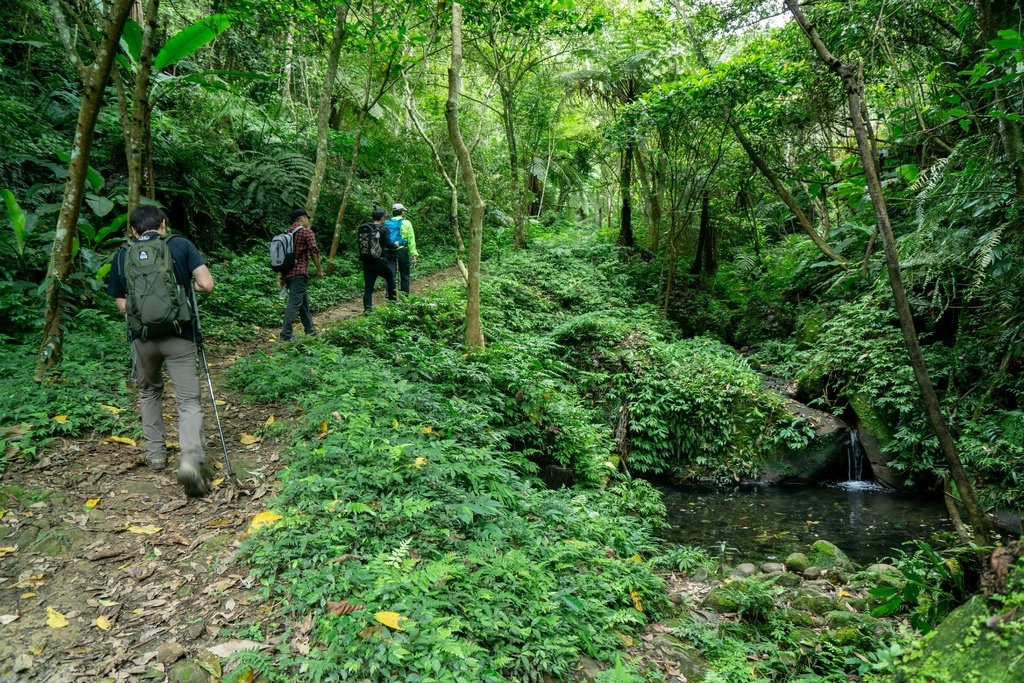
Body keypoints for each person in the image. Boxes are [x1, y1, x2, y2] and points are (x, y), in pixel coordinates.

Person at [107, 206, 215, 497]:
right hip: (180, 336)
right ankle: (191, 460)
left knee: (149, 392)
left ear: (133, 230)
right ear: (163, 224)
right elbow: (206, 284)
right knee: (188, 402)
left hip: (142, 339)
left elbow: (121, 303)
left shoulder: (121, 256)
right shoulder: (180, 245)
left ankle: (155, 456)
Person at [279, 208, 322, 341]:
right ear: (302, 218)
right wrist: (319, 269)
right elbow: (314, 251)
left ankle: (310, 330)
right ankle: (285, 335)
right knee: (294, 304)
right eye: (307, 218)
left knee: (303, 303)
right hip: (299, 273)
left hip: (288, 273)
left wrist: (282, 276)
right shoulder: (306, 232)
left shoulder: (286, 233)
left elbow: (282, 256)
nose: (308, 221)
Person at [362, 208, 397, 312]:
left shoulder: (366, 228)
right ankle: (393, 305)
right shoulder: (384, 229)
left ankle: (368, 311)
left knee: (368, 288)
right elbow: (389, 244)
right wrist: (395, 245)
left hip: (367, 262)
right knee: (390, 278)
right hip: (379, 261)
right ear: (382, 218)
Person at [383, 203, 418, 296]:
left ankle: (390, 296)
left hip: (389, 251)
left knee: (390, 275)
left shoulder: (386, 223)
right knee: (404, 275)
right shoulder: (406, 223)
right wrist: (413, 255)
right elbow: (411, 240)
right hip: (402, 251)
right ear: (401, 212)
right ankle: (404, 297)